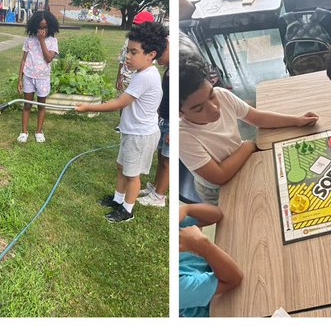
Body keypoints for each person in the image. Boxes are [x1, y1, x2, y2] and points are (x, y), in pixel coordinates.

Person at [180, 51, 318, 205]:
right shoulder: (182, 136)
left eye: (211, 95)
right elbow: (219, 176)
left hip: (242, 163)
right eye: (198, 108)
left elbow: (258, 118)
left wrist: (297, 120)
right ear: (180, 113)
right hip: (218, 190)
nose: (213, 109)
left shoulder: (223, 95)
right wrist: (249, 145)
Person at [75, 19, 168, 223]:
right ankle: (118, 200)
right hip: (132, 131)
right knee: (121, 167)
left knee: (132, 175)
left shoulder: (146, 77)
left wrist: (89, 107)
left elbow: (120, 104)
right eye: (128, 51)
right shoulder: (141, 73)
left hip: (140, 135)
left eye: (133, 52)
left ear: (151, 55)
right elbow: (126, 101)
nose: (127, 56)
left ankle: (127, 210)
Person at [179, 202, 243, 316]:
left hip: (222, 268)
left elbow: (216, 215)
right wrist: (201, 245)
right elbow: (233, 279)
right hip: (218, 309)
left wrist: (186, 208)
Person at [16, 9, 59, 143]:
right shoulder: (29, 39)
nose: (42, 31)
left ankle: (39, 131)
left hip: (43, 78)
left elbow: (48, 59)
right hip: (29, 76)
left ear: (50, 27)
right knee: (27, 105)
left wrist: (42, 41)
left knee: (41, 105)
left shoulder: (52, 41)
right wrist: (19, 79)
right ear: (34, 26)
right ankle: (24, 131)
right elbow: (23, 59)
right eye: (39, 28)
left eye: (45, 28)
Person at [141, 35, 172, 208]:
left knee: (168, 159)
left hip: (171, 123)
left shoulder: (176, 70)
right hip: (164, 119)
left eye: (162, 52)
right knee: (161, 156)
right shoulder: (168, 69)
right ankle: (155, 187)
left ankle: (159, 196)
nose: (158, 56)